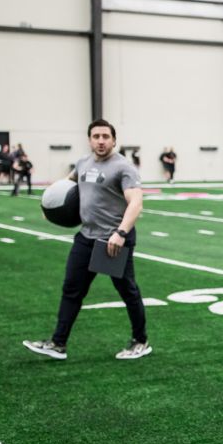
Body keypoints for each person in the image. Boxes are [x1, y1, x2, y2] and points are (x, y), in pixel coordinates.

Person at [23, 119, 151, 361]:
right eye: (96, 136)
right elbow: (67, 185)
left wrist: (121, 233)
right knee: (72, 289)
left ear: (114, 140)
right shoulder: (83, 163)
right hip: (86, 237)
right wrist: (50, 206)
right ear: (90, 139)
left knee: (127, 291)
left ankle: (141, 340)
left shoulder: (123, 168)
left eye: (105, 136)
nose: (101, 141)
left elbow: (136, 202)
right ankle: (58, 343)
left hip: (112, 240)